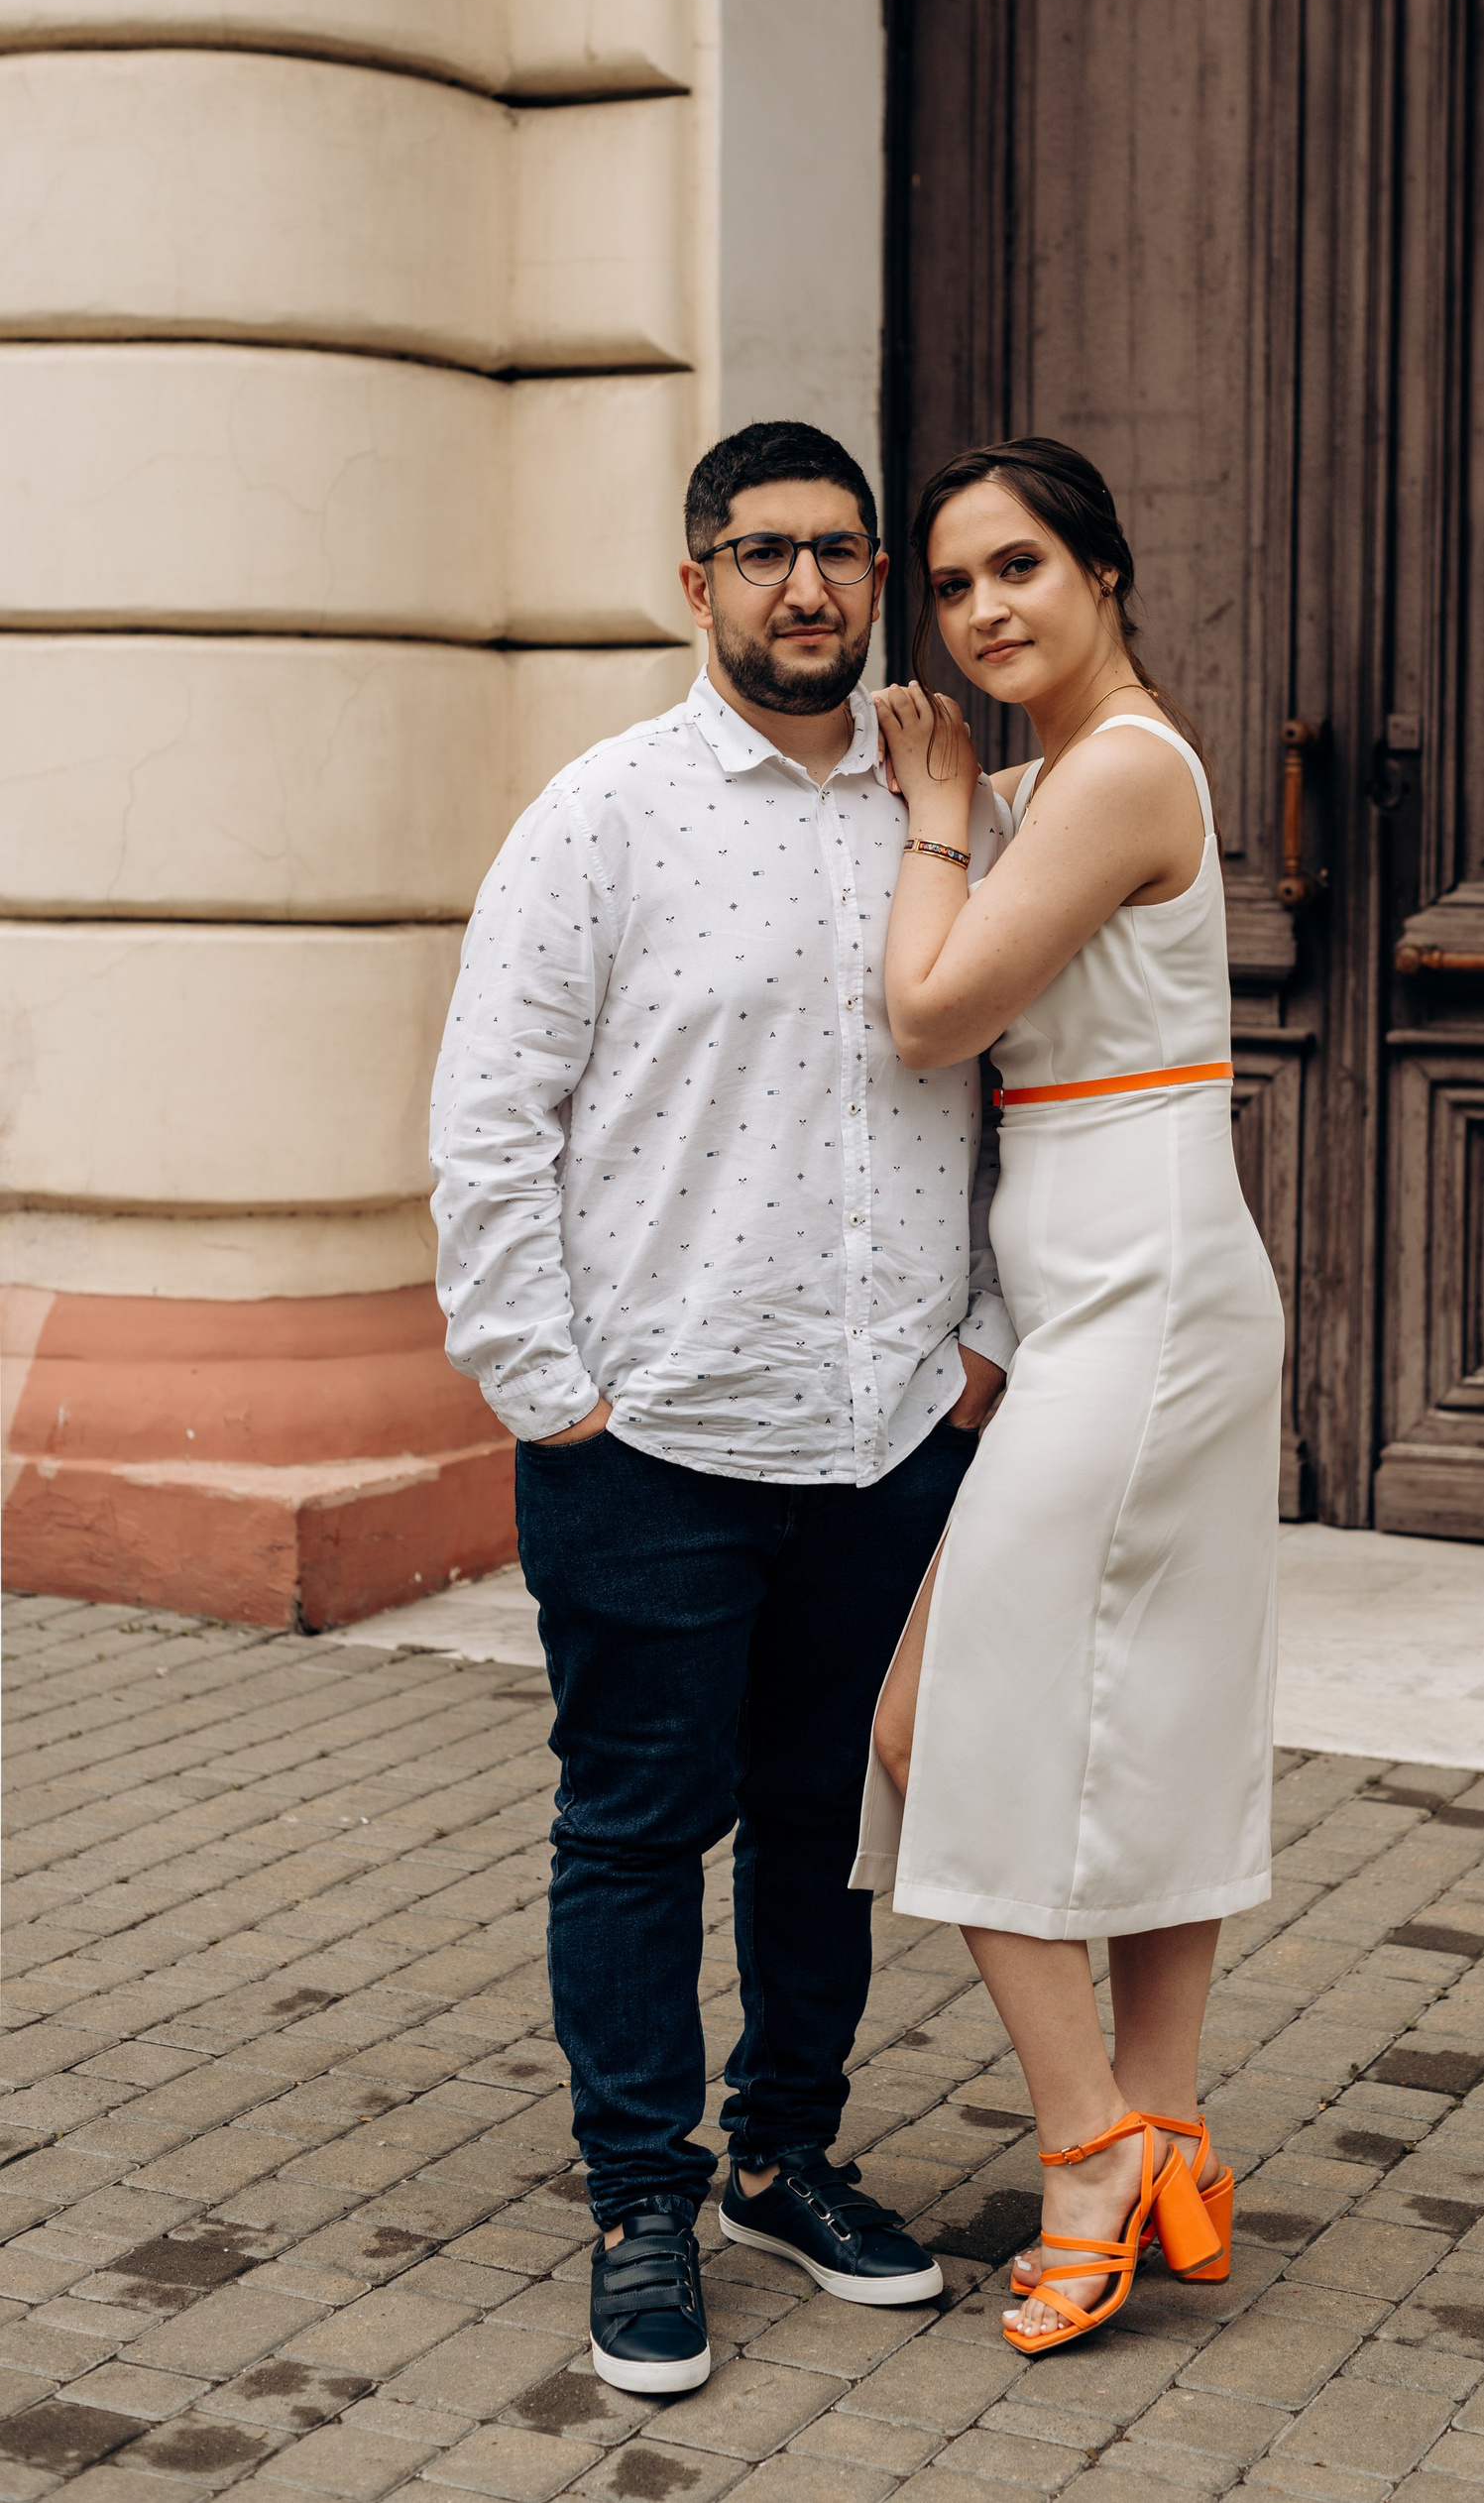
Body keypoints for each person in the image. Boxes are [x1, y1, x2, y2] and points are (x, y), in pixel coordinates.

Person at [429, 421, 1016, 2397]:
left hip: (884, 1428)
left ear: (877, 577)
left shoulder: (945, 811)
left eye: (840, 551)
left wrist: (980, 1344)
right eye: (765, 553)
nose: (807, 589)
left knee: (821, 1822)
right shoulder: (600, 818)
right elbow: (489, 1123)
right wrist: (549, 1389)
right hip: (652, 1436)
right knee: (634, 1826)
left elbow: (1019, 1087)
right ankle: (638, 2198)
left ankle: (785, 2157)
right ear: (698, 582)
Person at [854, 435, 1283, 2356]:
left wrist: (936, 817)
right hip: (1098, 1289)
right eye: (951, 585)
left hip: (1149, 1292)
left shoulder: (1113, 773)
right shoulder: (1050, 783)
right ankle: (1164, 2121)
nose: (982, 611)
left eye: (1017, 566)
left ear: (1104, 570)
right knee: (1150, 1706)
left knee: (926, 1721)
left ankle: (1087, 2142)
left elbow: (929, 1012)